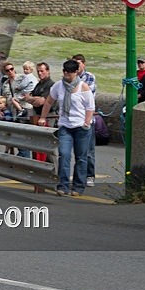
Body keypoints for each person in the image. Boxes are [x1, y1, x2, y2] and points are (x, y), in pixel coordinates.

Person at [38, 59, 95, 197]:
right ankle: (62, 185)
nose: (66, 75)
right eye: (65, 72)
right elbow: (49, 102)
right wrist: (43, 117)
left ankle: (78, 186)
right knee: (64, 155)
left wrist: (86, 122)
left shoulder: (83, 87)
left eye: (69, 73)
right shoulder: (58, 86)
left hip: (81, 127)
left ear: (76, 72)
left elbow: (90, 107)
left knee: (81, 157)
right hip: (65, 126)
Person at [72, 54, 97, 187]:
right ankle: (78, 178)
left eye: (79, 63)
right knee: (76, 151)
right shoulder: (70, 77)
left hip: (86, 119)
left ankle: (90, 175)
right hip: (73, 119)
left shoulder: (89, 77)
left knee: (88, 151)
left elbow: (88, 98)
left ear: (84, 64)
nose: (76, 66)